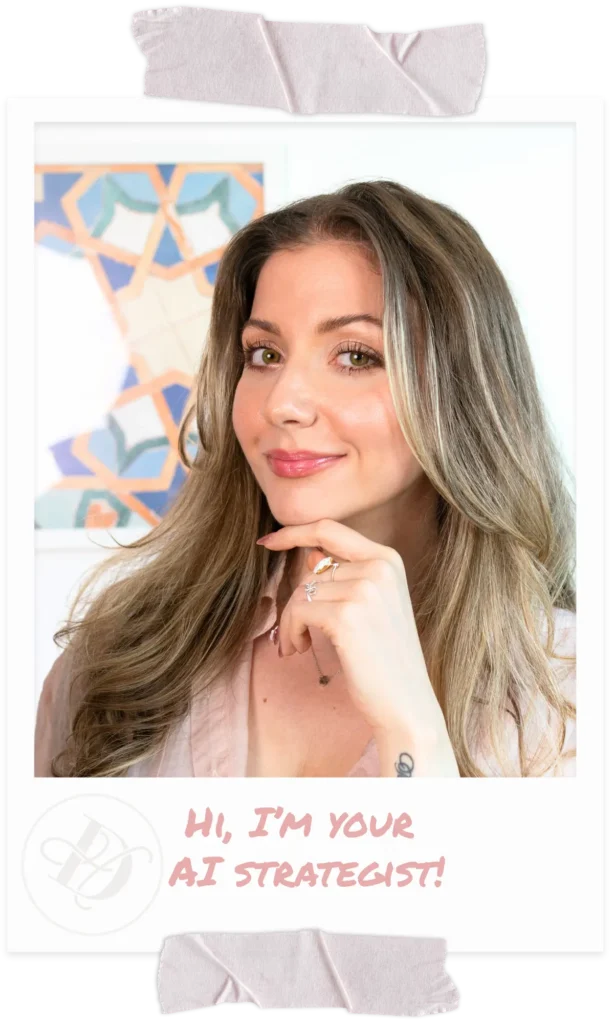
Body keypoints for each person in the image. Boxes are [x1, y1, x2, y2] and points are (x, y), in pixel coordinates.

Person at [34, 180, 576, 778]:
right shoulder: (121, 658)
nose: (283, 403)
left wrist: (412, 729)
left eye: (356, 355)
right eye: (264, 354)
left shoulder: (569, 692)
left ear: (462, 391)